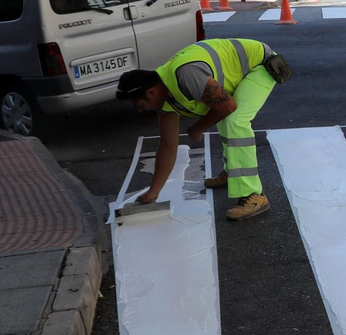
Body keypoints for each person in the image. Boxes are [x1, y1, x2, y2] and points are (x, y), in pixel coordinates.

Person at [116, 39, 290, 221]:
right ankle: (232, 172)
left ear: (150, 92)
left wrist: (198, 128)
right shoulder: (164, 99)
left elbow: (228, 106)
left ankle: (254, 195)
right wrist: (154, 192)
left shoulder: (186, 75)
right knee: (222, 115)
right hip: (238, 70)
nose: (140, 110)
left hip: (259, 64)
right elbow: (168, 146)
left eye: (139, 104)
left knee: (234, 120)